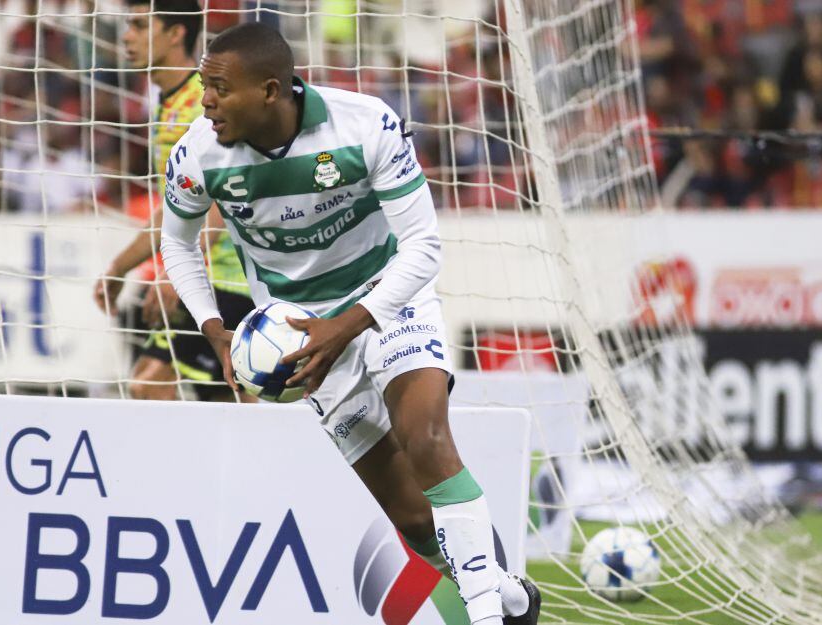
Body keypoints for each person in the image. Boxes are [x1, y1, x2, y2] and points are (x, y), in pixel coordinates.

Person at [160, 22, 539, 625]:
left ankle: (487, 617)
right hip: (298, 330)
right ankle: (510, 596)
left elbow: (423, 246)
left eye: (218, 88)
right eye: (205, 86)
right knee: (414, 519)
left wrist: (350, 325)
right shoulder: (198, 154)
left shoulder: (363, 124)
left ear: (270, 90)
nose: (204, 100)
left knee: (428, 438)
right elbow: (177, 245)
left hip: (387, 296)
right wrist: (215, 330)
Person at [93, 0, 253, 402]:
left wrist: (181, 273)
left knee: (152, 386)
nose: (126, 36)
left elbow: (223, 191)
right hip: (212, 276)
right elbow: (177, 206)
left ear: (176, 33)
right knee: (218, 400)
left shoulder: (205, 102)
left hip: (236, 277)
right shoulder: (167, 104)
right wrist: (119, 267)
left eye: (139, 25)